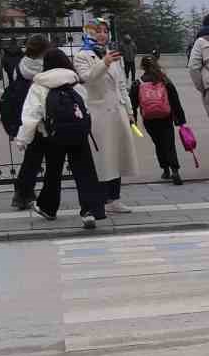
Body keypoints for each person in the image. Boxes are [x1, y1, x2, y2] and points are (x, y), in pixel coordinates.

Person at [13, 48, 108, 229]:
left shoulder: (39, 85)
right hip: (78, 134)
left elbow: (31, 114)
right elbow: (85, 108)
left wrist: (23, 139)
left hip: (52, 135)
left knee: (53, 172)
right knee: (85, 172)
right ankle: (90, 210)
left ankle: (49, 208)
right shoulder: (75, 82)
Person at [76, 44, 138, 214]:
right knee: (103, 157)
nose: (102, 35)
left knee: (117, 155)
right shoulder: (83, 56)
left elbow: (121, 85)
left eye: (105, 31)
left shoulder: (111, 54)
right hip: (99, 113)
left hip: (117, 111)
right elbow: (87, 78)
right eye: (98, 31)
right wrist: (104, 63)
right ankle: (103, 198)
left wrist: (129, 110)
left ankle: (115, 198)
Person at [5, 35, 50, 210]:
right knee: (43, 156)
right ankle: (23, 192)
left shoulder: (20, 65)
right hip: (43, 114)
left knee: (33, 156)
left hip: (25, 114)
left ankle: (24, 192)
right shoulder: (46, 68)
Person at [130, 55, 187, 186]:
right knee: (169, 143)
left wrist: (133, 120)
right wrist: (180, 119)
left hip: (149, 119)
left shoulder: (138, 82)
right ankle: (175, 170)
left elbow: (132, 103)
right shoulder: (165, 80)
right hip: (165, 117)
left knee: (158, 144)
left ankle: (165, 169)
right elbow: (174, 100)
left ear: (142, 67)